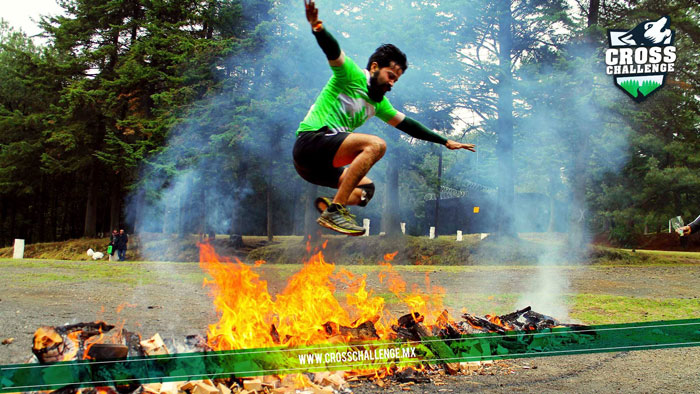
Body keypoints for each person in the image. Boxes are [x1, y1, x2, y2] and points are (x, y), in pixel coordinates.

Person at [294, 0, 476, 236]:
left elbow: (410, 125)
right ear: (374, 67)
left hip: (317, 168)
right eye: (390, 75)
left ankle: (331, 205)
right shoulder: (350, 74)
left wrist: (445, 141)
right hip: (311, 142)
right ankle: (336, 209)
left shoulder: (379, 103)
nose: (392, 83)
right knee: (376, 145)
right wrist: (318, 27)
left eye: (396, 80)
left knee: (365, 191)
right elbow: (333, 51)